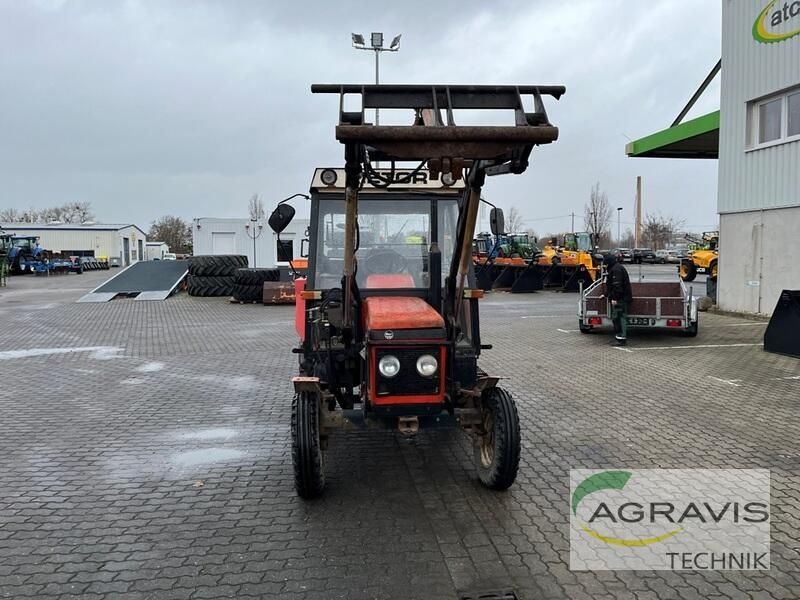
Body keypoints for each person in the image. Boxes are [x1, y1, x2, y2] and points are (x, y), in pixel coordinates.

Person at [604, 254, 633, 346]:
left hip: (620, 300)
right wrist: (606, 295)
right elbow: (612, 286)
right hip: (621, 298)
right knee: (617, 319)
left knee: (619, 319)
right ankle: (618, 337)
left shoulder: (616, 270)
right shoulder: (616, 268)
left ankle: (621, 339)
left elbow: (617, 287)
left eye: (605, 264)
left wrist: (614, 298)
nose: (605, 266)